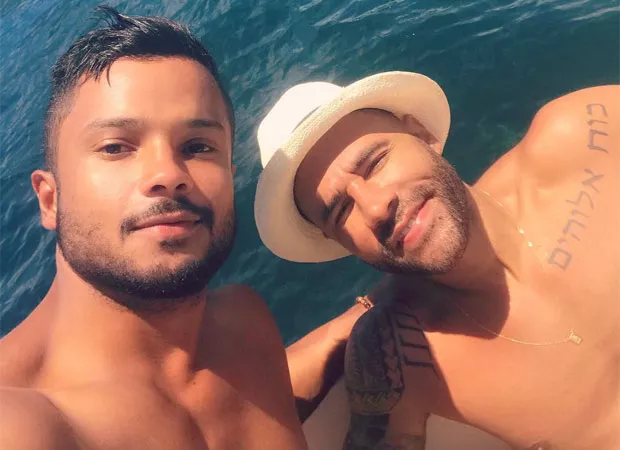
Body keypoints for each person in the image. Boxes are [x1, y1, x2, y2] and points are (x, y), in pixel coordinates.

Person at [0, 8, 361, 449]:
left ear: (231, 174)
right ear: (50, 199)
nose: (168, 174)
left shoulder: (244, 325)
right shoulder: (22, 424)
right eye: (115, 147)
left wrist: (374, 311)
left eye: (197, 146)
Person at [255, 72, 619, 449]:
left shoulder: (584, 138)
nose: (376, 208)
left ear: (421, 132)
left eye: (375, 163)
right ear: (337, 241)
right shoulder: (396, 355)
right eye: (341, 210)